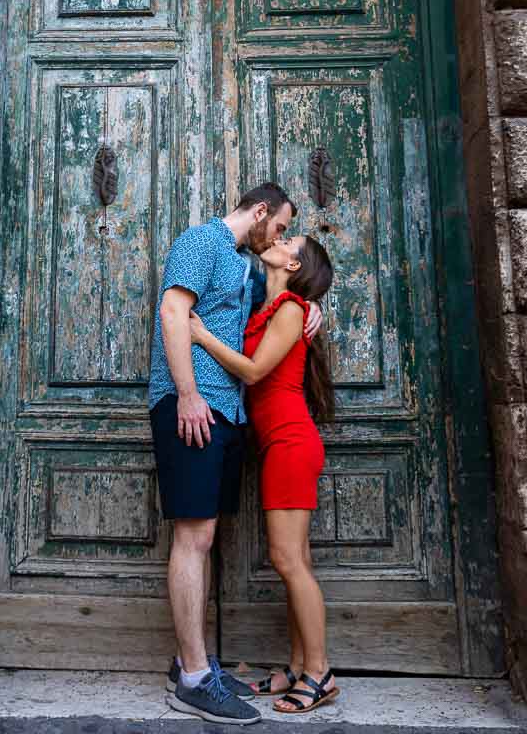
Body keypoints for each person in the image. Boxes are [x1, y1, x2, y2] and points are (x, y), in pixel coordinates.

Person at [148, 183, 322, 724]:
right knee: (193, 535)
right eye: (282, 226)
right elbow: (174, 314)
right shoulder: (202, 241)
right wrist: (189, 394)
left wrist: (315, 311)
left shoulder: (247, 270)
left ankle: (194, 663)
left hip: (230, 415)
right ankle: (196, 679)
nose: (282, 236)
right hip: (193, 406)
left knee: (207, 536)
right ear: (262, 212)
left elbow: (276, 316)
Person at [189, 233, 339, 716]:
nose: (276, 238)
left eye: (287, 238)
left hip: (292, 443)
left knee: (287, 561)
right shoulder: (270, 307)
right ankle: (298, 666)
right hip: (278, 444)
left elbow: (253, 372)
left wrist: (201, 336)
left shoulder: (291, 308)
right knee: (296, 560)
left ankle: (320, 674)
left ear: (293, 262)